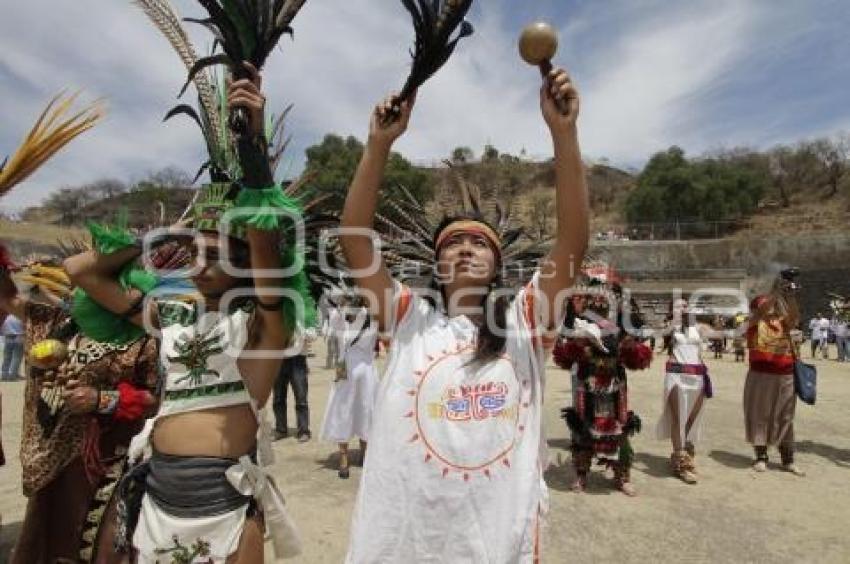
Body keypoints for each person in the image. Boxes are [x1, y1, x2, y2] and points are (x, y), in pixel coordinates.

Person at [339, 66, 588, 562]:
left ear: (498, 263)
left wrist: (564, 133)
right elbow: (354, 241)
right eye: (453, 244)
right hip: (412, 539)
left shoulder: (524, 320)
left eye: (479, 243)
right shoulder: (408, 319)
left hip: (496, 538)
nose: (466, 250)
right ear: (436, 263)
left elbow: (573, 242)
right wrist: (378, 147)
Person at [66, 65, 309, 562]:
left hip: (224, 504)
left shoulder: (262, 326)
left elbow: (263, 241)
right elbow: (83, 272)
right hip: (154, 492)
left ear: (245, 268)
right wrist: (161, 237)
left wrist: (253, 147)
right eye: (191, 253)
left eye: (213, 254)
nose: (197, 265)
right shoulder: (170, 317)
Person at [1, 253, 160, 564]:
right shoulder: (61, 323)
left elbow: (158, 398)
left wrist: (102, 400)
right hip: (56, 461)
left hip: (111, 461)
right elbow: (6, 296)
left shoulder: (145, 337)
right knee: (52, 541)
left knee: (105, 543)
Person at [553, 281, 652, 496]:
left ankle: (622, 475)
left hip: (615, 384)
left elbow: (638, 356)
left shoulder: (622, 323)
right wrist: (578, 348)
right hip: (586, 382)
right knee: (583, 426)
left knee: (620, 426)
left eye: (604, 297)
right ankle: (581, 474)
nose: (599, 301)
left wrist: (628, 348)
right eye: (595, 297)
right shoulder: (579, 322)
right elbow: (563, 355)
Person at [744, 276, 805, 476]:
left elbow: (794, 317)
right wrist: (776, 292)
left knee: (786, 415)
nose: (771, 308)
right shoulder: (753, 321)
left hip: (785, 374)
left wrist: (791, 295)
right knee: (761, 414)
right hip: (761, 374)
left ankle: (788, 459)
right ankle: (761, 456)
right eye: (766, 305)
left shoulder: (782, 322)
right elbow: (762, 309)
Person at [319, 297, 378, 479]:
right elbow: (328, 332)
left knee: (366, 409)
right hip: (346, 369)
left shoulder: (373, 316)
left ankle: (365, 451)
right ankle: (344, 457)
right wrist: (338, 306)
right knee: (343, 411)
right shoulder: (339, 316)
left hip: (367, 369)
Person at [656, 299, 709, 484]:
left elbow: (719, 332)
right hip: (676, 375)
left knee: (692, 420)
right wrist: (675, 320)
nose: (683, 308)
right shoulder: (670, 328)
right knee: (679, 419)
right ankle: (681, 463)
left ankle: (686, 453)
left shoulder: (699, 328)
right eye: (678, 306)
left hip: (697, 377)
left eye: (685, 305)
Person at [272, 352, 311, 441]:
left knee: (301, 399)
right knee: (278, 398)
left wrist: (305, 337)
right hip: (278, 359)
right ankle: (281, 430)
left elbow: (311, 337)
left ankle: (303, 431)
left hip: (298, 360)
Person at [1, 312, 24, 380]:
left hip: (8, 336)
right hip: (19, 336)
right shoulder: (19, 317)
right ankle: (13, 375)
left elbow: (2, 328)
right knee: (16, 358)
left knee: (7, 357)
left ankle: (4, 375)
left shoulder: (7, 318)